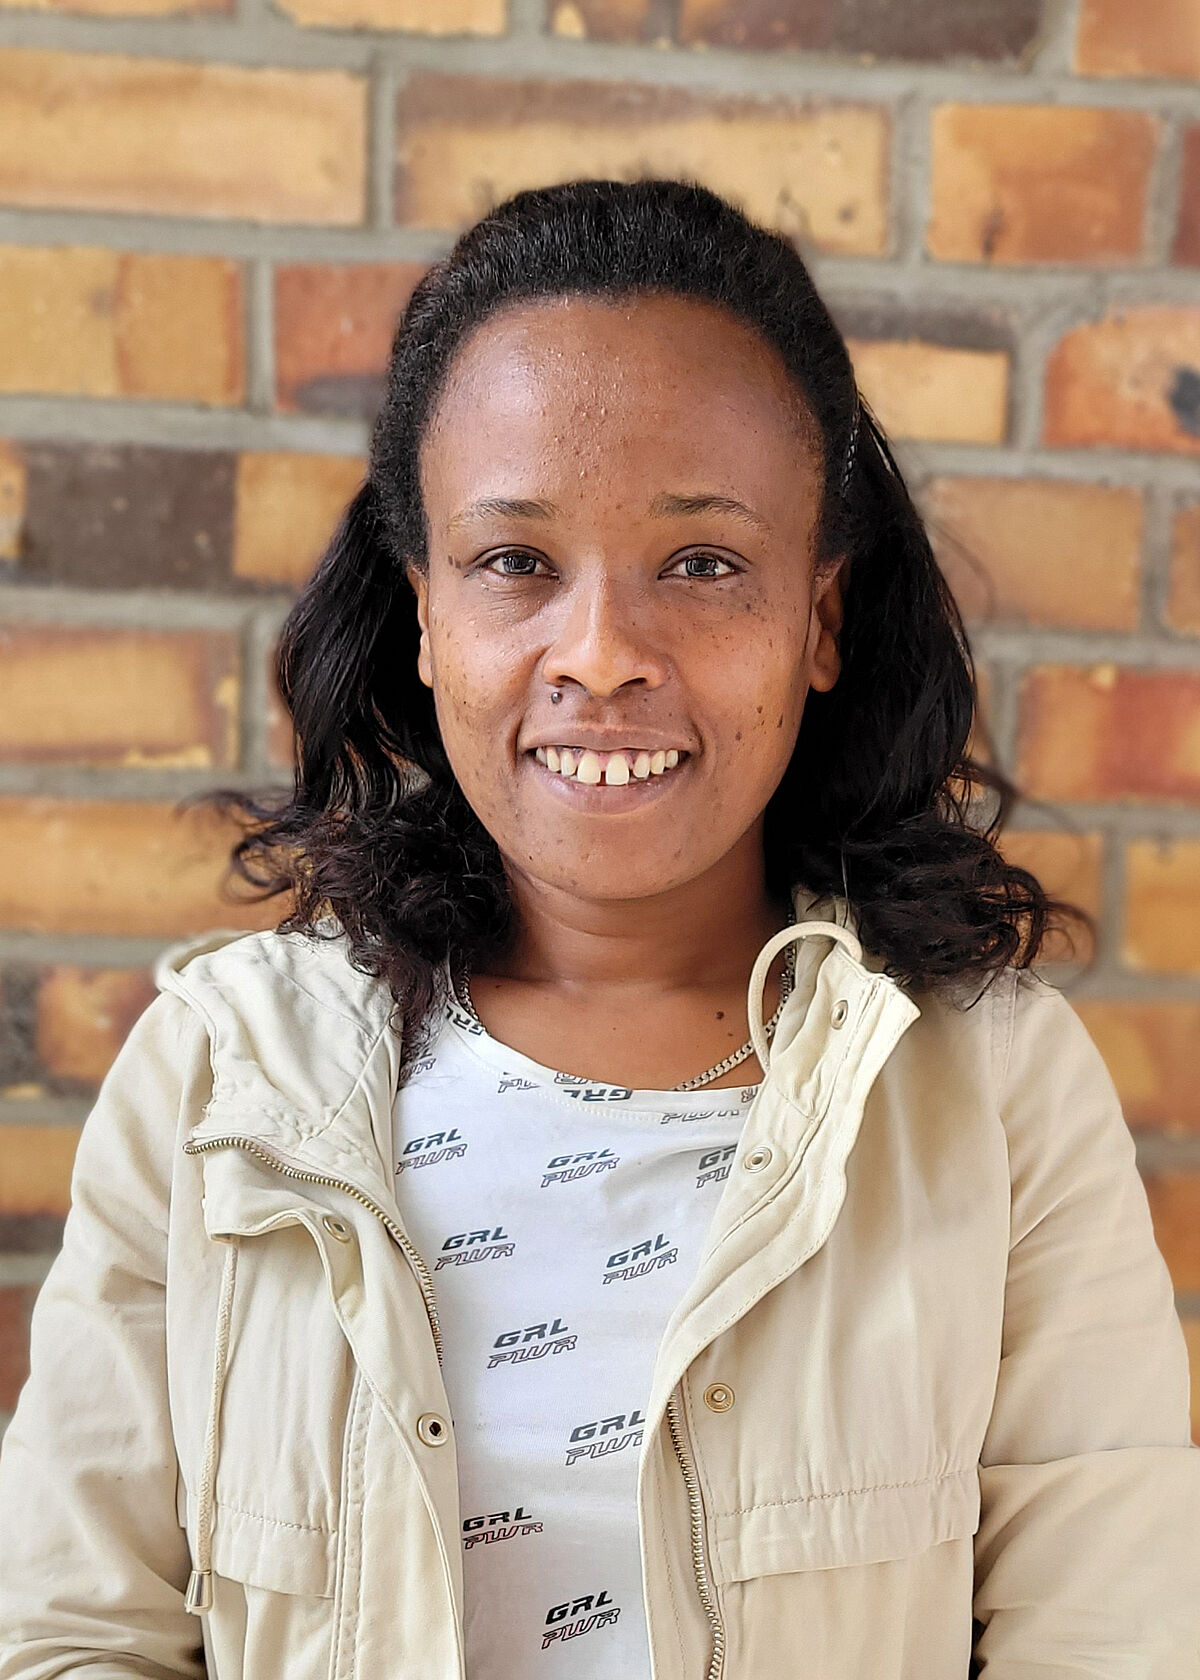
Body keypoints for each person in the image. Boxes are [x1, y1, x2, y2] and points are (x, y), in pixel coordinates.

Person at [0, 176, 1196, 1680]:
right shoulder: (217, 1085)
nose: (604, 655)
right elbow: (70, 1635)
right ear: (424, 605)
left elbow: (1110, 1643)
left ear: (819, 616)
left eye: (703, 565)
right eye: (515, 563)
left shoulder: (999, 1094)